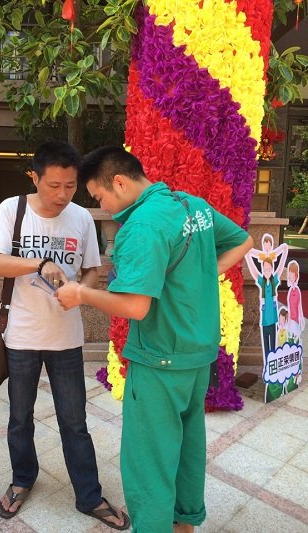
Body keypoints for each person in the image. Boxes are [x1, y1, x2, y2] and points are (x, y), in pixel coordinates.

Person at [55, 145, 253, 533]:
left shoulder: (142, 226)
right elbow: (242, 241)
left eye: (100, 197)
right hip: (198, 354)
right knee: (188, 445)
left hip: (160, 357)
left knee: (148, 460)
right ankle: (184, 524)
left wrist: (80, 294)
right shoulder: (190, 206)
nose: (104, 208)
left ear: (119, 182)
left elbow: (135, 306)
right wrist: (202, 274)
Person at [0, 141, 129, 530]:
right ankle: (22, 480)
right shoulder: (12, 210)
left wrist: (80, 293)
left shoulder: (81, 217)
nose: (63, 195)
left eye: (70, 186)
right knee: (20, 417)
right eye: (54, 185)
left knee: (74, 420)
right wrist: (40, 262)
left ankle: (89, 496)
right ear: (34, 177)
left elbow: (92, 270)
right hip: (22, 336)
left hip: (66, 338)